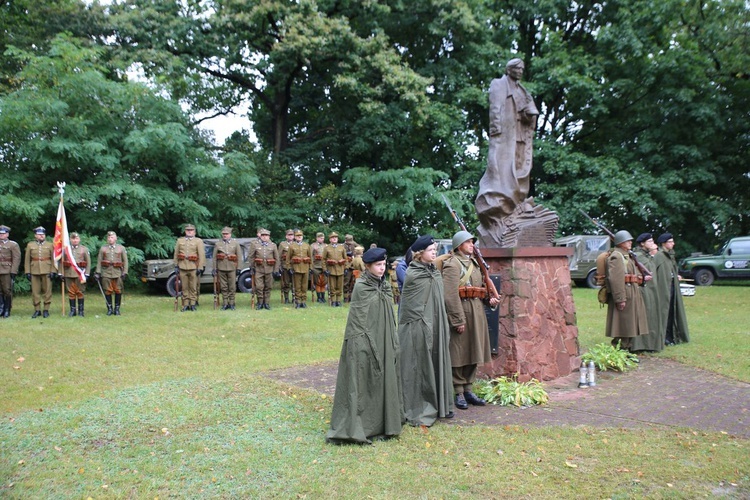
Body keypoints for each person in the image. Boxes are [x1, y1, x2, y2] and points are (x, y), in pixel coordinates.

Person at [326, 247, 403, 444]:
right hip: (365, 339)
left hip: (384, 339)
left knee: (385, 377)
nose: (382, 268)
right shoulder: (362, 287)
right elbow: (358, 320)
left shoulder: (385, 286)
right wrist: (361, 344)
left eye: (384, 264)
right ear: (367, 266)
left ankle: (386, 423)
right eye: (378, 265)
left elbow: (388, 316)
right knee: (365, 378)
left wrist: (391, 341)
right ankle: (364, 424)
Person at [398, 235, 454, 426]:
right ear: (420, 254)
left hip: (436, 324)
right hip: (419, 326)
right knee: (420, 364)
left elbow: (438, 300)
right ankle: (420, 405)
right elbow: (410, 308)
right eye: (431, 250)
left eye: (435, 250)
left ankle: (440, 403)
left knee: (437, 359)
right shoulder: (414, 275)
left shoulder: (434, 272)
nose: (435, 253)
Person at [475, 58, 539, 226]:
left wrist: (529, 115)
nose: (520, 71)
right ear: (509, 69)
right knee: (501, 166)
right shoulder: (499, 84)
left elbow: (530, 110)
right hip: (505, 134)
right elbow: (495, 106)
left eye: (522, 69)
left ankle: (517, 200)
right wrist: (495, 129)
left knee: (520, 167)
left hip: (520, 134)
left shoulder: (523, 90)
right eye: (517, 68)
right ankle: (501, 199)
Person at [441, 231, 498, 410]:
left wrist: (490, 300)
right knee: (459, 353)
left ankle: (468, 388)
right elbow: (449, 295)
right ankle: (458, 391)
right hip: (461, 312)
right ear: (459, 246)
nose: (472, 244)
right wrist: (457, 320)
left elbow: (481, 288)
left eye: (472, 241)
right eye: (467, 242)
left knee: (474, 351)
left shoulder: (475, 263)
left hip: (477, 313)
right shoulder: (452, 265)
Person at [604, 230, 649, 350]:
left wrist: (642, 278)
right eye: (627, 240)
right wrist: (620, 299)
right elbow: (616, 280)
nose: (630, 242)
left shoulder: (626, 255)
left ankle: (626, 349)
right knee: (623, 325)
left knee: (630, 325)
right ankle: (620, 351)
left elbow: (631, 275)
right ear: (620, 242)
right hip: (625, 294)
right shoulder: (616, 257)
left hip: (632, 293)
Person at [630, 233, 664, 353]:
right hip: (644, 290)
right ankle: (642, 344)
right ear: (642, 243)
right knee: (645, 315)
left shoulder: (646, 255)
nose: (652, 243)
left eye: (652, 241)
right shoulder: (639, 256)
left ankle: (650, 343)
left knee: (651, 316)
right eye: (649, 241)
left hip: (651, 289)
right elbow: (646, 270)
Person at [655, 233, 690, 345]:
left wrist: (676, 276)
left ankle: (672, 335)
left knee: (671, 311)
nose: (673, 244)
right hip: (663, 289)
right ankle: (664, 337)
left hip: (671, 287)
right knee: (665, 312)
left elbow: (670, 270)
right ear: (664, 243)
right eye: (670, 241)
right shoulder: (659, 256)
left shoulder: (670, 255)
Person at [24, 226, 57, 318]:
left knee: (47, 291)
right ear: (35, 236)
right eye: (39, 234)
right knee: (35, 291)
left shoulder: (50, 245)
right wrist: (27, 271)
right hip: (34, 270)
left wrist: (53, 270)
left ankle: (46, 309)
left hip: (47, 270)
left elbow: (54, 259)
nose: (41, 236)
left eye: (43, 234)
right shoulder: (30, 245)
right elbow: (27, 260)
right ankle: (37, 309)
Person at [95, 231, 128, 316]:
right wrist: (98, 272)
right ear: (107, 239)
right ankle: (109, 308)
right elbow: (99, 261)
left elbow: (125, 261)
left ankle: (117, 309)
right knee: (107, 291)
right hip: (106, 273)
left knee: (118, 290)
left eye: (112, 237)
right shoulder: (103, 249)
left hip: (118, 273)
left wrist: (125, 272)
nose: (110, 239)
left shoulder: (121, 248)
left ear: (116, 238)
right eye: (109, 237)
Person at [174, 224, 206, 312]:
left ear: (194, 232)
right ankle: (185, 304)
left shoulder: (198, 241)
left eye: (191, 230)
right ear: (185, 231)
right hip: (182, 266)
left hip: (193, 266)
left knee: (193, 287)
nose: (189, 231)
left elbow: (201, 255)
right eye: (188, 230)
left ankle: (192, 304)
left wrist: (200, 267)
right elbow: (176, 253)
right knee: (184, 287)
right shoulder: (180, 241)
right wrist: (176, 265)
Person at [248, 228, 280, 310]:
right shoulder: (256, 245)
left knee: (268, 287)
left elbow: (277, 258)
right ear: (260, 236)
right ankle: (260, 303)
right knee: (259, 287)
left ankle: (267, 303)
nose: (264, 237)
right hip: (259, 269)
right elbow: (251, 256)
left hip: (269, 269)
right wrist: (251, 267)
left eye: (266, 235)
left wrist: (276, 270)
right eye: (263, 235)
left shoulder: (273, 245)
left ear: (269, 236)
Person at [62, 232, 91, 317]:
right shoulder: (66, 249)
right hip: (69, 273)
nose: (75, 240)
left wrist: (87, 274)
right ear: (70, 240)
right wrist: (61, 273)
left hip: (80, 274)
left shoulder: (84, 249)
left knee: (80, 292)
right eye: (73, 239)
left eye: (76, 238)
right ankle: (72, 310)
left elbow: (88, 262)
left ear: (79, 239)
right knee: (71, 292)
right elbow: (62, 262)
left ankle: (81, 311)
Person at [213, 226, 242, 310]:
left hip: (232, 268)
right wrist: (214, 268)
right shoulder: (218, 244)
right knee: (223, 287)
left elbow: (239, 256)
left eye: (227, 234)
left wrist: (239, 268)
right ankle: (225, 303)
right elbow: (214, 257)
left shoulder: (235, 244)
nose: (225, 235)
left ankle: (232, 303)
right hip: (221, 268)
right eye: (223, 234)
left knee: (232, 286)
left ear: (230, 234)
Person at [286, 230, 312, 308]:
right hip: (296, 268)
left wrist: (311, 267)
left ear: (302, 237)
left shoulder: (307, 245)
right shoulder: (292, 246)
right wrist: (289, 267)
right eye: (297, 236)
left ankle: (303, 301)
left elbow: (310, 257)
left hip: (305, 268)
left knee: (304, 286)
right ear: (295, 237)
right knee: (297, 286)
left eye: (300, 236)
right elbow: (288, 258)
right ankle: (298, 301)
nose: (299, 237)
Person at [0, 225, 21, 318]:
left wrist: (13, 271)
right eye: (0, 233)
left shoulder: (13, 244)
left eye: (3, 233)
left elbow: (16, 258)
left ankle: (7, 309)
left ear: (7, 234)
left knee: (7, 290)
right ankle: (1, 308)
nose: (1, 235)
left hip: (6, 270)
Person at [322, 232, 347, 306]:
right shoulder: (327, 248)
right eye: (333, 237)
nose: (334, 238)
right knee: (332, 286)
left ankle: (338, 301)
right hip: (331, 269)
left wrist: (346, 268)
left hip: (340, 269)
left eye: (336, 237)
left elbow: (345, 259)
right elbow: (323, 259)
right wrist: (324, 269)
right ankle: (333, 301)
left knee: (339, 286)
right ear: (330, 239)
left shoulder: (341, 247)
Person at [278, 229, 295, 304]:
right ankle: (286, 298)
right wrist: (279, 267)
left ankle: (294, 297)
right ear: (286, 236)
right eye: (289, 235)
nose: (291, 236)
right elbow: (279, 256)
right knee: (286, 283)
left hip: (295, 266)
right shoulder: (283, 244)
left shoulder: (296, 244)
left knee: (295, 283)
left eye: (292, 235)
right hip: (285, 266)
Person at [311, 232, 327, 303]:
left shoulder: (326, 246)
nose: (322, 239)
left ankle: (323, 297)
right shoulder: (312, 246)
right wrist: (311, 266)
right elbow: (311, 256)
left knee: (324, 282)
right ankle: (319, 297)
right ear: (317, 238)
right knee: (317, 282)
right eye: (320, 238)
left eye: (323, 238)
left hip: (324, 266)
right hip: (316, 266)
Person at [343, 234, 360, 302]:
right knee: (346, 282)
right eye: (348, 242)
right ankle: (345, 297)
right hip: (347, 265)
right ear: (346, 241)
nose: (350, 244)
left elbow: (361, 249)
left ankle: (352, 296)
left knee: (353, 282)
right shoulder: (342, 246)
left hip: (354, 266)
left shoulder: (355, 244)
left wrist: (355, 254)